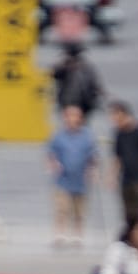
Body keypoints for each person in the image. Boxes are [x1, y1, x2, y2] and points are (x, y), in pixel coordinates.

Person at [47, 104, 97, 247]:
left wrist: (92, 170)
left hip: (80, 179)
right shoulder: (59, 136)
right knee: (61, 208)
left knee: (79, 210)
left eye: (75, 116)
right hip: (63, 179)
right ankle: (60, 234)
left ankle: (78, 234)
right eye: (69, 116)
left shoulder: (86, 136)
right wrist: (53, 164)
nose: (71, 119)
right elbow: (51, 152)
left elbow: (93, 155)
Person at [51, 43, 103, 120]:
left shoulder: (86, 67)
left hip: (84, 103)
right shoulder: (63, 66)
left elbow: (93, 83)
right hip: (67, 102)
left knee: (82, 123)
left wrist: (96, 95)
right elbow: (54, 75)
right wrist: (65, 66)